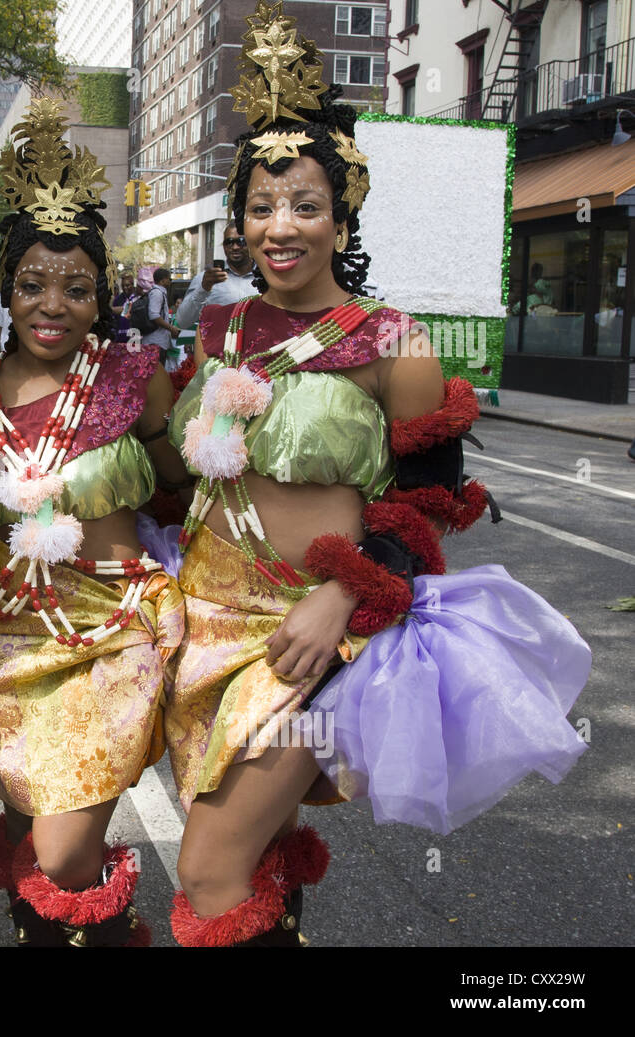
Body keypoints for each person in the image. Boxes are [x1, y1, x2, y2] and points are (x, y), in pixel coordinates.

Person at [163, 3, 589, 948]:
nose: (282, 227)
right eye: (262, 206)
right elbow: (184, 468)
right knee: (256, 851)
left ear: (342, 212)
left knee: (208, 867)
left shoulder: (395, 341)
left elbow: (429, 500)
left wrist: (337, 598)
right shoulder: (219, 329)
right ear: (237, 220)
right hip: (201, 622)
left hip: (310, 636)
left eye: (305, 204)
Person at [0, 99, 192, 947]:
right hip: (11, 640)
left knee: (60, 850)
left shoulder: (136, 377)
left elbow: (187, 491)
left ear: (103, 295)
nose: (52, 304)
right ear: (5, 286)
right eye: (32, 283)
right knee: (42, 825)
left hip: (115, 631)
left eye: (77, 286)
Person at [175, 222, 258, 331]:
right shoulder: (206, 280)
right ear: (224, 246)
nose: (235, 247)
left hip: (261, 346)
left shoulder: (267, 278)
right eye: (229, 242)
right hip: (218, 347)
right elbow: (182, 322)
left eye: (241, 241)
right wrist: (203, 288)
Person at [111, 270, 139, 345]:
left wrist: (124, 310)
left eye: (127, 285)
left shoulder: (138, 297)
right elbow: (113, 316)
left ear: (133, 284)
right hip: (121, 336)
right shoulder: (118, 299)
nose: (125, 288)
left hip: (135, 334)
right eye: (122, 286)